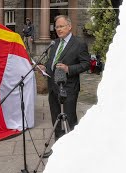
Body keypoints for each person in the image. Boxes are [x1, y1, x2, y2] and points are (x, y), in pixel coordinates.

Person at [38, 15, 90, 157]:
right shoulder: (55, 43)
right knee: (56, 119)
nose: (58, 29)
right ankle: (58, 150)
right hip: (53, 88)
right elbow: (52, 63)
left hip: (69, 89)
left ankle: (73, 153)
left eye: (61, 26)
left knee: (69, 119)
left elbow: (86, 64)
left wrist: (69, 69)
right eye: (56, 27)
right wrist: (45, 68)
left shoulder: (79, 44)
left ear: (69, 26)